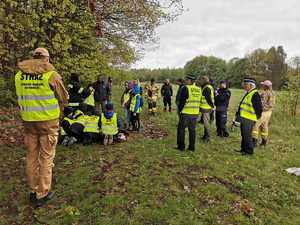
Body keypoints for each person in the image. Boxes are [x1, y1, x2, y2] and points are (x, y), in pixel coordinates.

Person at [15, 47, 68, 207]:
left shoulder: (18, 76)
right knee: (46, 157)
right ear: (46, 59)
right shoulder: (51, 75)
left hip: (28, 123)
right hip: (48, 123)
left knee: (31, 156)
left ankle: (33, 189)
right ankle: (42, 192)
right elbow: (64, 96)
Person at [237, 78, 262, 155]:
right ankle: (243, 149)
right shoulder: (249, 92)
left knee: (247, 135)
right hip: (244, 117)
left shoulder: (255, 94)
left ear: (251, 85)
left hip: (249, 118)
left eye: (245, 84)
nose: (244, 86)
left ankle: (249, 151)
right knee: (243, 134)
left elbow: (259, 109)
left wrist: (255, 117)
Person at [176, 75, 202, 151]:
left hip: (186, 112)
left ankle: (181, 146)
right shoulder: (199, 89)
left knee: (181, 129)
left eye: (187, 80)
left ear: (190, 80)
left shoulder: (186, 88)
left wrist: (180, 110)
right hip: (195, 113)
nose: (186, 81)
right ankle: (191, 147)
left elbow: (182, 101)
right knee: (192, 130)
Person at [252, 80, 275, 147]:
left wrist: (259, 108)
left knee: (255, 125)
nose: (262, 86)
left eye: (263, 85)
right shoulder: (272, 93)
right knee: (264, 126)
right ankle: (264, 141)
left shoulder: (266, 93)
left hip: (264, 112)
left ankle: (254, 142)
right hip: (269, 112)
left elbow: (263, 103)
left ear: (266, 86)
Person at [199, 76, 215, 142]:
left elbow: (208, 98)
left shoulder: (207, 87)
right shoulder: (208, 86)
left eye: (201, 80)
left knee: (206, 123)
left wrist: (212, 106)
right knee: (205, 122)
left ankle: (207, 137)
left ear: (204, 80)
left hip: (207, 107)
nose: (200, 81)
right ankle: (205, 136)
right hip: (206, 107)